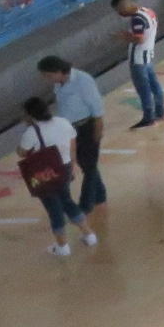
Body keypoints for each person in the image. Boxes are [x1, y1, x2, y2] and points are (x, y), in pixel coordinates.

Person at [17, 95, 97, 258]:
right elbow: (73, 143)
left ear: (30, 115)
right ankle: (89, 235)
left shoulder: (32, 132)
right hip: (65, 167)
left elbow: (21, 153)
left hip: (46, 173)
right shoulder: (62, 122)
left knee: (53, 208)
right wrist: (72, 164)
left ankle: (62, 246)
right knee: (67, 201)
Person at [38, 56, 107, 215]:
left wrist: (98, 132)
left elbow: (97, 109)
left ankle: (85, 205)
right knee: (86, 164)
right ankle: (100, 194)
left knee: (88, 168)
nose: (46, 79)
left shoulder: (83, 81)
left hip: (87, 127)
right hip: (70, 130)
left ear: (58, 72)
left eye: (48, 75)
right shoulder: (58, 84)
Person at [109, 0, 164, 126]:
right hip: (149, 54)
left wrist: (123, 36)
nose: (119, 14)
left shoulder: (136, 19)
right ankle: (161, 111)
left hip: (139, 58)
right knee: (154, 84)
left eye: (119, 10)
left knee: (143, 88)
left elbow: (139, 39)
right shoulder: (148, 11)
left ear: (123, 8)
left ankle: (148, 118)